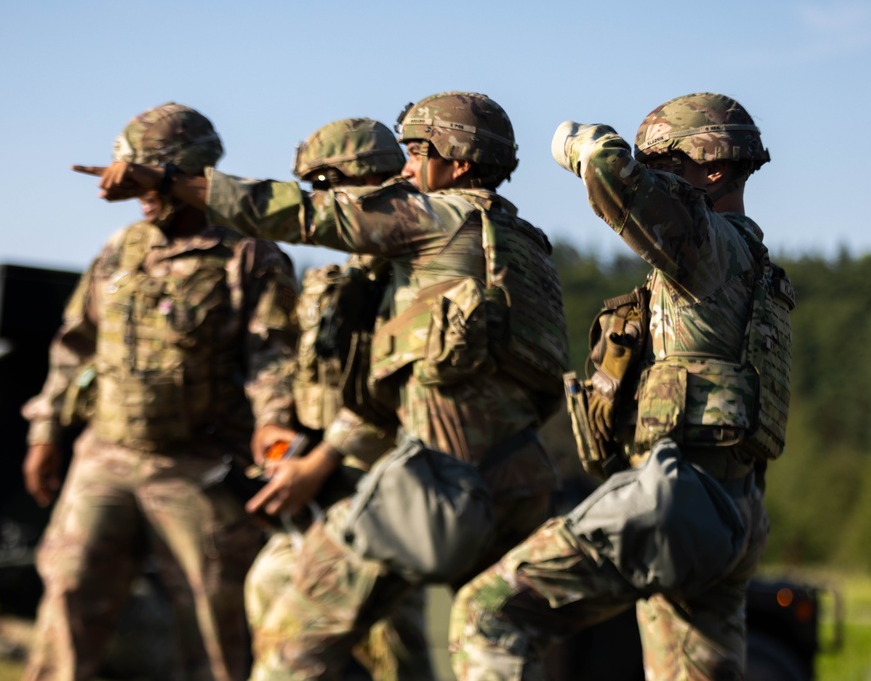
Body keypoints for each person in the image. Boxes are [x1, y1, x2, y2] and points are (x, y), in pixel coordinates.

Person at [75, 91, 568, 680]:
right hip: (521, 483)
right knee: (488, 646)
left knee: (295, 646)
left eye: (415, 153)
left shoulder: (436, 221)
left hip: (436, 484)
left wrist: (173, 180)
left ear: (458, 162)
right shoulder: (527, 247)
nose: (405, 171)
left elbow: (298, 215)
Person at [450, 93, 793, 680]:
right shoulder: (755, 269)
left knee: (487, 615)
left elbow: (609, 169)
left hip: (679, 497)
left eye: (662, 164)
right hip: (731, 511)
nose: (652, 179)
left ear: (712, 169)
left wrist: (572, 142)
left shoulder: (708, 245)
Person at [22, 102, 299, 681]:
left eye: (146, 177)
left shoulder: (247, 252)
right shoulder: (122, 249)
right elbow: (75, 345)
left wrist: (274, 423)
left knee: (214, 619)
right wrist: (46, 431)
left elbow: (273, 356)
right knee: (69, 594)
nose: (138, 193)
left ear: (190, 174)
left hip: (199, 463)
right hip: (107, 456)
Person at [243, 117, 436, 681]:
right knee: (271, 593)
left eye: (329, 186)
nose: (320, 202)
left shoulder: (414, 268)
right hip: (319, 483)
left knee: (394, 647)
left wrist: (321, 459)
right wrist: (276, 424)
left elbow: (395, 388)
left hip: (387, 485)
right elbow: (293, 360)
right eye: (315, 189)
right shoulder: (334, 274)